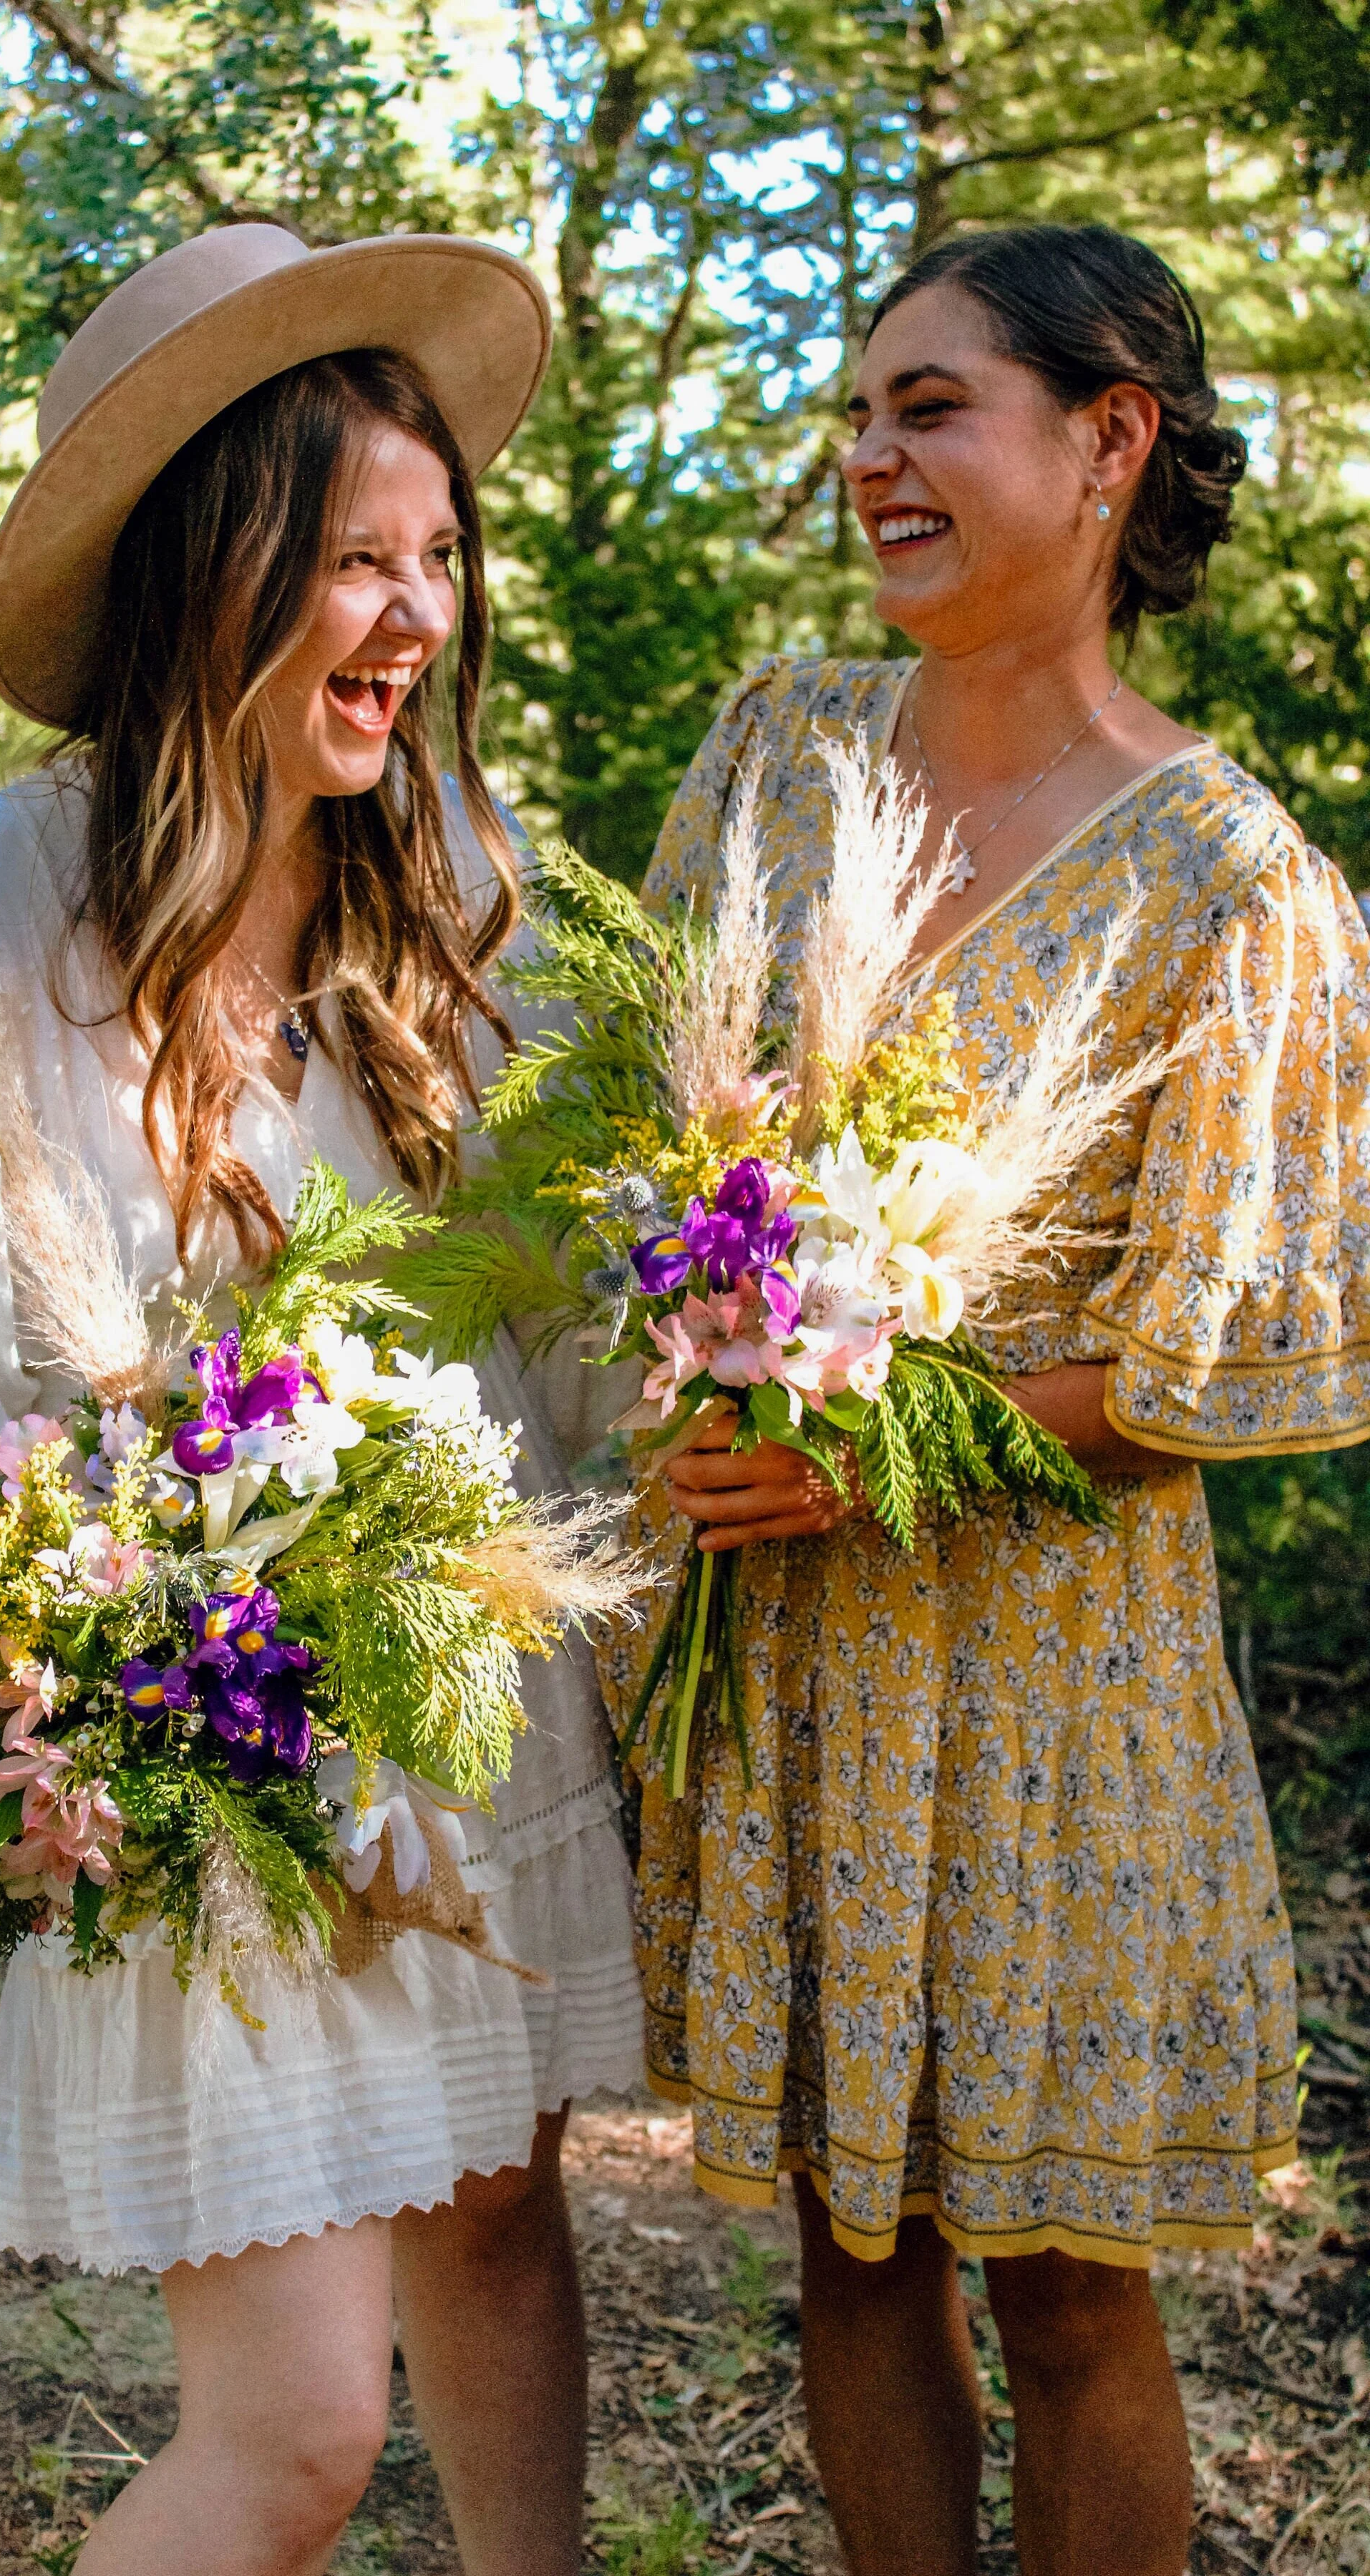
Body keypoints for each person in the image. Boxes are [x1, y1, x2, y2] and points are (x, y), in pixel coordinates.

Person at [0, 223, 645, 2576]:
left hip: (475, 1707)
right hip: (203, 1759)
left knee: (497, 2218)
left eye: (438, 557)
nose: (416, 615)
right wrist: (108, 1644)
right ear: (212, 567)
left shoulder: (449, 879)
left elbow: (562, 1299)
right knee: (299, 2433)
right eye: (355, 560)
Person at [598, 222, 1370, 2576]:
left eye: (930, 408)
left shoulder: (1231, 881)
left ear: (1110, 441)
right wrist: (703, 1352)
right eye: (859, 415)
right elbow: (636, 1136)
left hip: (1054, 1675)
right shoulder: (780, 754)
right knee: (854, 2243)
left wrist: (878, 1451)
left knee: (1068, 2291)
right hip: (791, 1646)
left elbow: (1215, 1362)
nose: (871, 458)